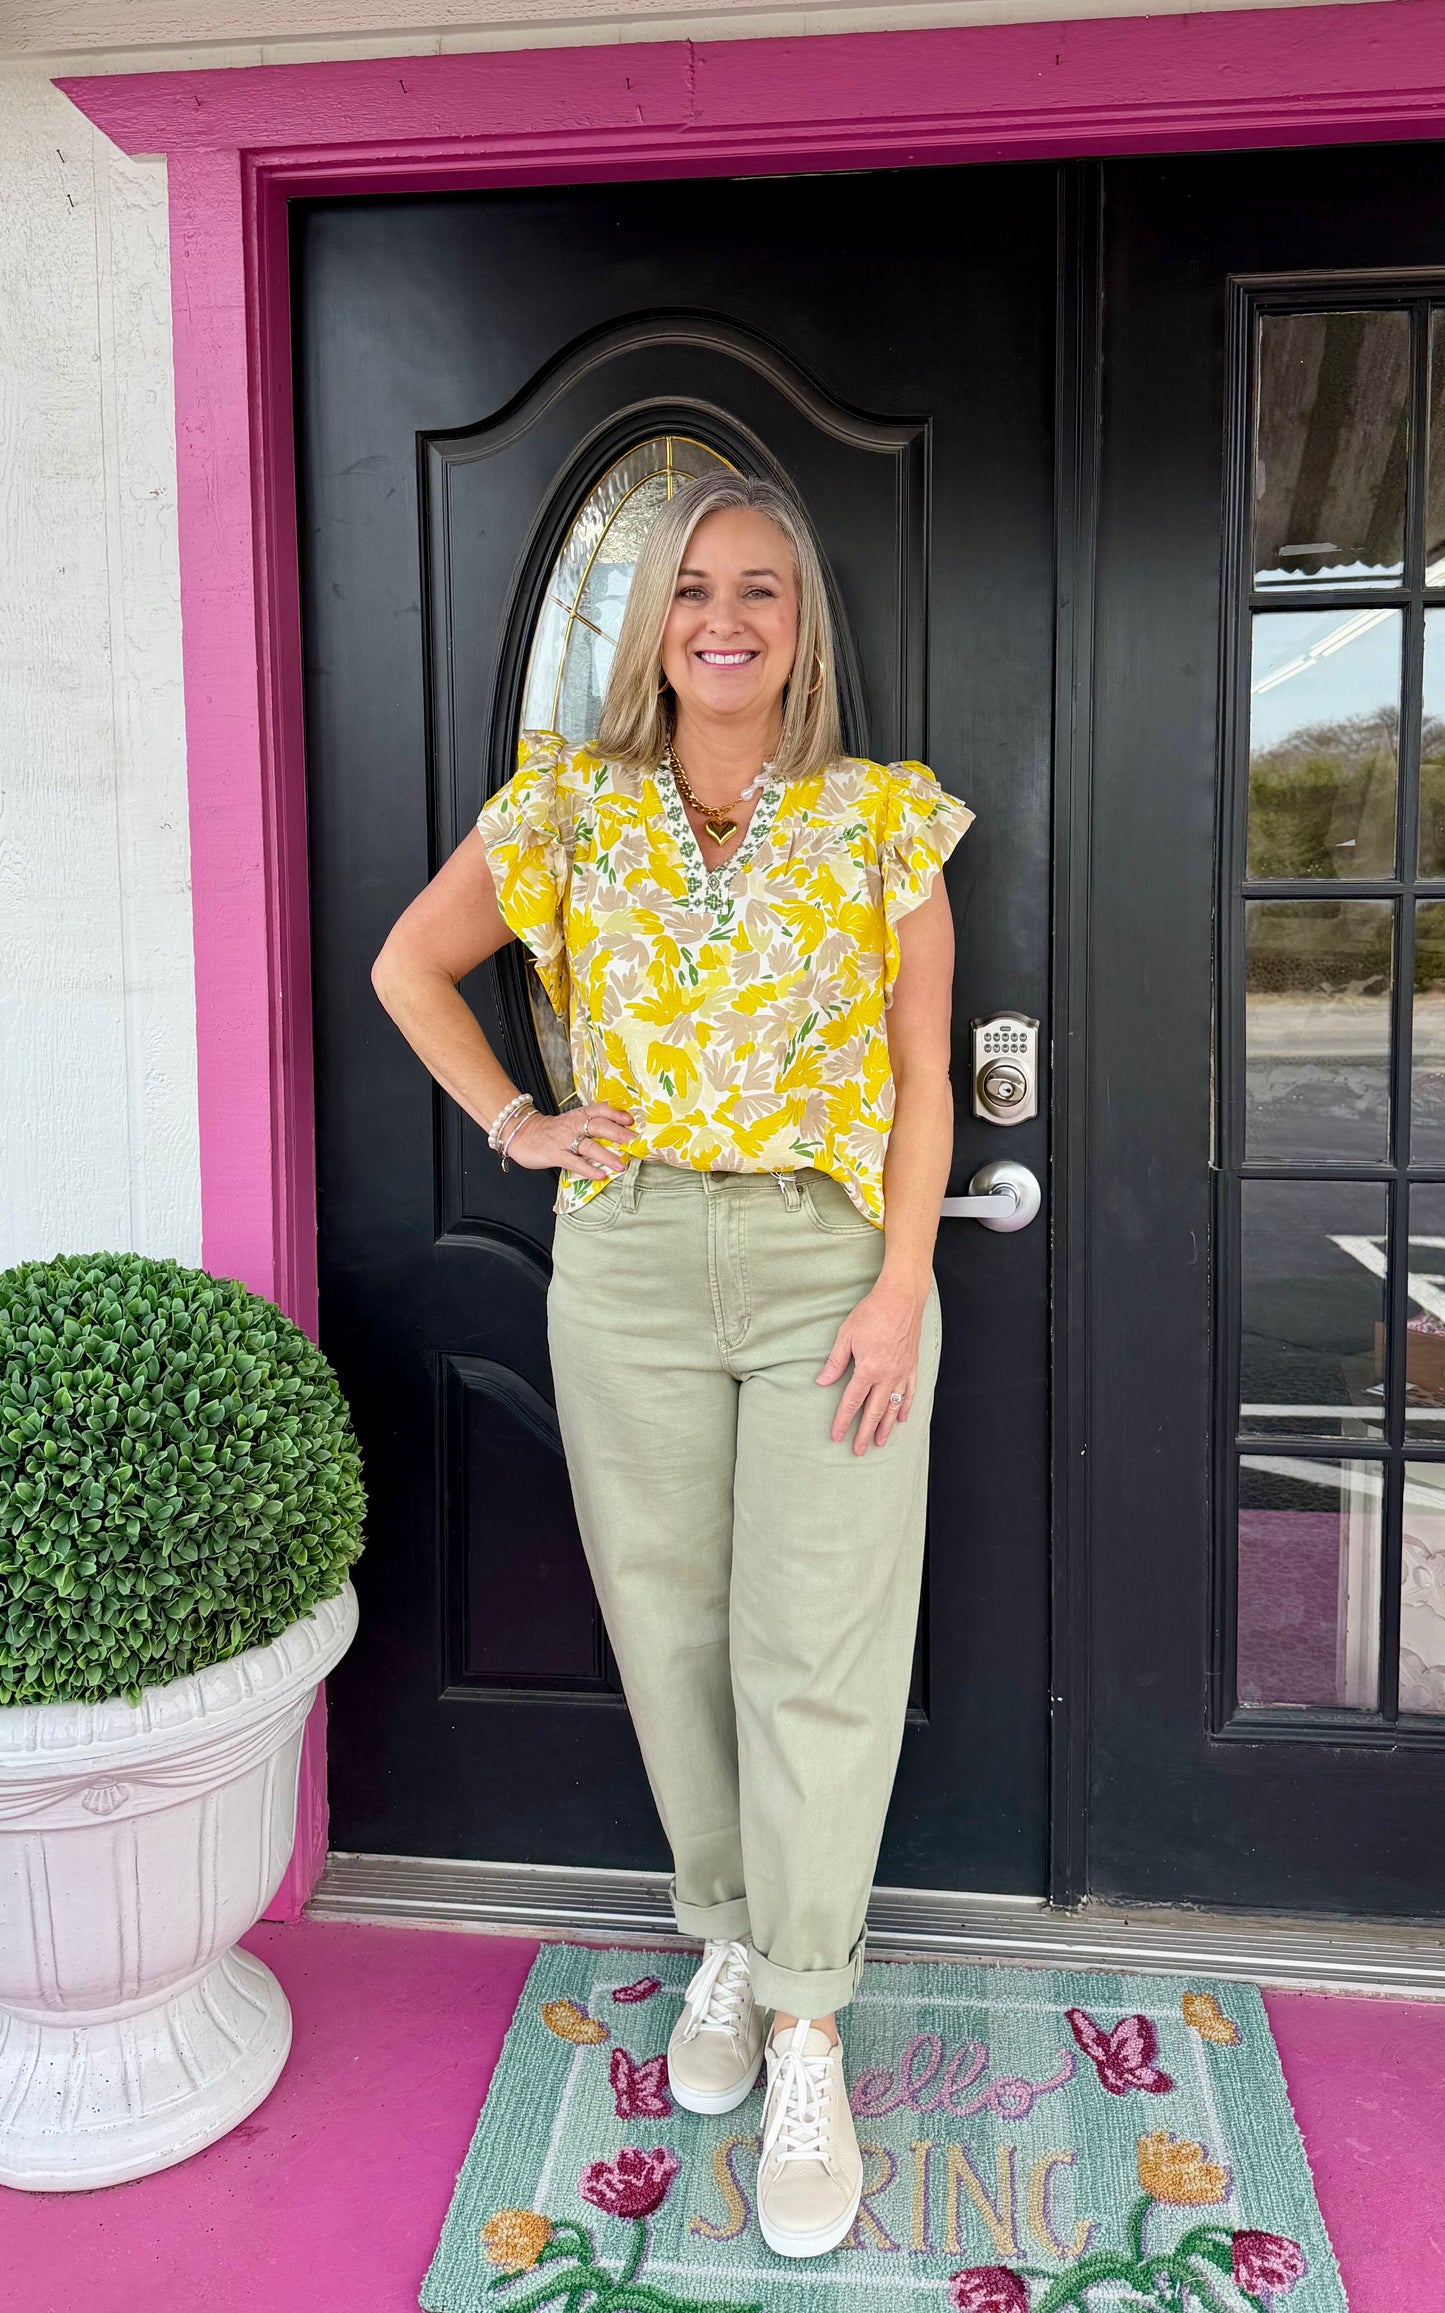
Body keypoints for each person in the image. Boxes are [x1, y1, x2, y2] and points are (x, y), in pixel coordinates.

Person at [371, 471, 973, 2259]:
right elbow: (411, 966)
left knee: (821, 1642)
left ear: (801, 627)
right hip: (626, 1255)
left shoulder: (884, 821)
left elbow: (923, 1075)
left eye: (760, 591)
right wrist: (518, 1120)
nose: (725, 618)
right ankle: (723, 1929)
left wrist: (897, 1281)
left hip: (823, 1262)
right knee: (669, 1622)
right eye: (694, 588)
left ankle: (804, 2020)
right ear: (653, 626)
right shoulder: (569, 808)